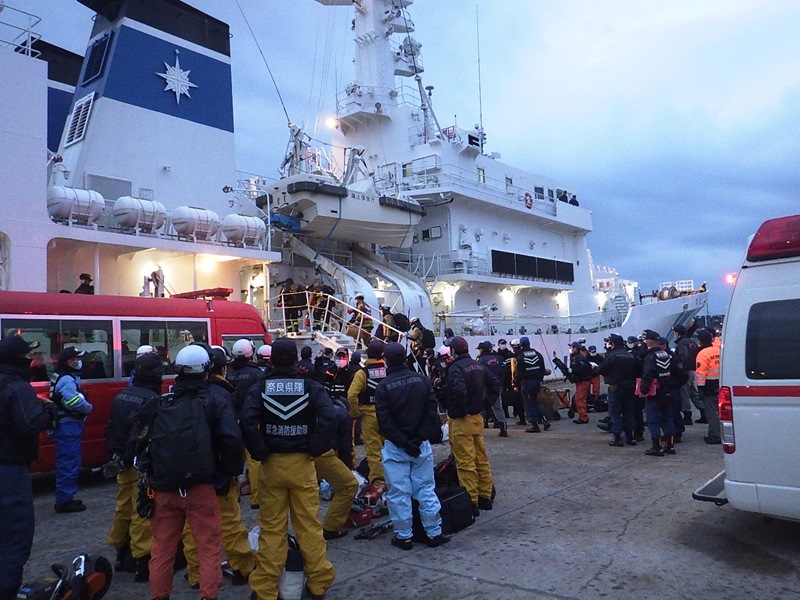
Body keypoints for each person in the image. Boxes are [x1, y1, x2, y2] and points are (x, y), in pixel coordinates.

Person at [144, 344, 244, 600]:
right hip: (201, 487)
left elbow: (141, 442)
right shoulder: (214, 401)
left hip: (164, 488)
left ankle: (159, 595)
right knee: (208, 548)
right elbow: (231, 440)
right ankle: (208, 595)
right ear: (207, 370)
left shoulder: (161, 402)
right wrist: (229, 474)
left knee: (162, 549)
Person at [240, 338, 337, 600]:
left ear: (271, 360)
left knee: (272, 529)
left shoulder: (260, 388)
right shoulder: (311, 387)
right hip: (302, 464)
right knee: (308, 526)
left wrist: (259, 451)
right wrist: (316, 447)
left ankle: (265, 590)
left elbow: (247, 421)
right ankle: (317, 585)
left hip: (271, 465)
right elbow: (330, 416)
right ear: (296, 359)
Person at [182, 347, 254, 590]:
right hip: (217, 473)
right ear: (221, 368)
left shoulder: (175, 394)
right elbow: (231, 439)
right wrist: (233, 469)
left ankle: (195, 575)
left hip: (185, 475)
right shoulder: (219, 396)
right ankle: (242, 567)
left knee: (192, 527)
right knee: (231, 523)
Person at [375, 342, 449, 550]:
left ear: (386, 361)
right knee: (426, 489)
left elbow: (385, 422)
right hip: (421, 446)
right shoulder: (422, 381)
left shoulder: (383, 386)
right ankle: (434, 532)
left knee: (399, 493)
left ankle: (404, 536)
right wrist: (417, 439)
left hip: (396, 447)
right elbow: (431, 414)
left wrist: (404, 442)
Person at [0, 336, 58, 599]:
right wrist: (48, 412)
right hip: (10, 471)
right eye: (29, 357)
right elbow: (29, 425)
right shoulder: (19, 387)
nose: (34, 361)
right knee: (16, 535)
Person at [105, 352, 162, 582]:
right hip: (140, 464)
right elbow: (140, 436)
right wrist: (131, 457)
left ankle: (120, 551)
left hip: (122, 463)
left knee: (122, 507)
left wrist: (117, 456)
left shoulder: (121, 396)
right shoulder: (151, 400)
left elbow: (110, 429)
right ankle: (142, 560)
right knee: (143, 511)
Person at [442, 336, 499, 516]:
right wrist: (483, 404)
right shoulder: (479, 366)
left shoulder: (456, 368)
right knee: (481, 459)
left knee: (465, 463)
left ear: (453, 351)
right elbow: (495, 385)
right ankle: (485, 496)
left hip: (462, 421)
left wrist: (458, 411)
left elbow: (458, 391)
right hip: (477, 418)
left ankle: (471, 502)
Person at [50, 346, 93, 513]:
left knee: (67, 463)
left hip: (64, 424)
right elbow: (74, 401)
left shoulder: (60, 374)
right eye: (77, 359)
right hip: (68, 425)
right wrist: (88, 408)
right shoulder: (67, 379)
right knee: (69, 464)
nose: (79, 361)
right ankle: (65, 501)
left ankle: (65, 497)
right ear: (70, 361)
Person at [313, 391, 358, 541]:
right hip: (322, 454)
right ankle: (331, 528)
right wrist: (347, 469)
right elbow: (345, 446)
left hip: (292, 455)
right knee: (349, 486)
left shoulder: (312, 407)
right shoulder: (342, 415)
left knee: (304, 495)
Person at [227, 338, 265, 510]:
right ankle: (256, 498)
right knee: (254, 461)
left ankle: (233, 496)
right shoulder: (257, 374)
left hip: (231, 421)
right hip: (250, 421)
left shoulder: (229, 374)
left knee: (234, 458)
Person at [347, 340, 388, 487]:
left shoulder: (362, 373)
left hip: (369, 416)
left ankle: (379, 483)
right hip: (387, 416)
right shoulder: (388, 370)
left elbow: (352, 395)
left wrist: (356, 412)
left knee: (374, 452)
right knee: (391, 449)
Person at [597, 334, 640, 447]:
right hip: (630, 388)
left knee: (615, 413)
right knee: (629, 412)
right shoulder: (630, 356)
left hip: (616, 388)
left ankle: (617, 437)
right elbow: (638, 371)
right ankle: (631, 437)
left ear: (613, 344)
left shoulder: (611, 356)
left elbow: (601, 369)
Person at [639, 330, 676, 456]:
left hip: (655, 392)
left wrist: (643, 390)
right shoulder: (665, 354)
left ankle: (657, 446)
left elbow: (648, 375)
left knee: (652, 419)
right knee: (666, 418)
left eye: (645, 340)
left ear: (650, 341)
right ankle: (670, 445)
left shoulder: (650, 357)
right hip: (667, 390)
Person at [512, 336, 550, 433]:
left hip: (527, 382)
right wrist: (540, 380)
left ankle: (534, 425)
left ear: (520, 345)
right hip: (537, 381)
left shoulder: (520, 357)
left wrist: (516, 384)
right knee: (535, 401)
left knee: (529, 403)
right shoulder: (538, 354)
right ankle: (544, 420)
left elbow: (519, 373)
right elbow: (542, 369)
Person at [475, 341, 508, 437]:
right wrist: (501, 384)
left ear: (482, 349)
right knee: (498, 407)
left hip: (484, 386)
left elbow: (478, 374)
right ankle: (503, 428)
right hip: (496, 386)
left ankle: (479, 429)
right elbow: (504, 372)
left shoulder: (480, 361)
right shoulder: (499, 359)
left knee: (480, 407)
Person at [695, 329, 721, 445]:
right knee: (719, 412)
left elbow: (701, 373)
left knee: (711, 413)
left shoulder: (702, 354)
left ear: (699, 341)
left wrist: (700, 389)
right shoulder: (718, 350)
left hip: (708, 386)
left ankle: (715, 436)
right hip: (720, 384)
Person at [672, 325, 701, 425]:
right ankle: (703, 412)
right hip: (693, 370)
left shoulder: (681, 344)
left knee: (684, 394)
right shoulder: (691, 342)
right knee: (694, 393)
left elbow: (684, 356)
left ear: (677, 333)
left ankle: (687, 416)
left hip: (686, 371)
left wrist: (681, 371)